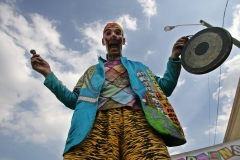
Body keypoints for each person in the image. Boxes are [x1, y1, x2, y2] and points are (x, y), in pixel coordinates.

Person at [31, 22, 188, 160]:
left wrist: (174, 58)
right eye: (108, 33)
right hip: (97, 123)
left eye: (117, 32)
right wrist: (47, 73)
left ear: (123, 40)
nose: (113, 35)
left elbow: (165, 88)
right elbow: (73, 101)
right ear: (103, 41)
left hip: (140, 123)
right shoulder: (91, 72)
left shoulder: (139, 68)